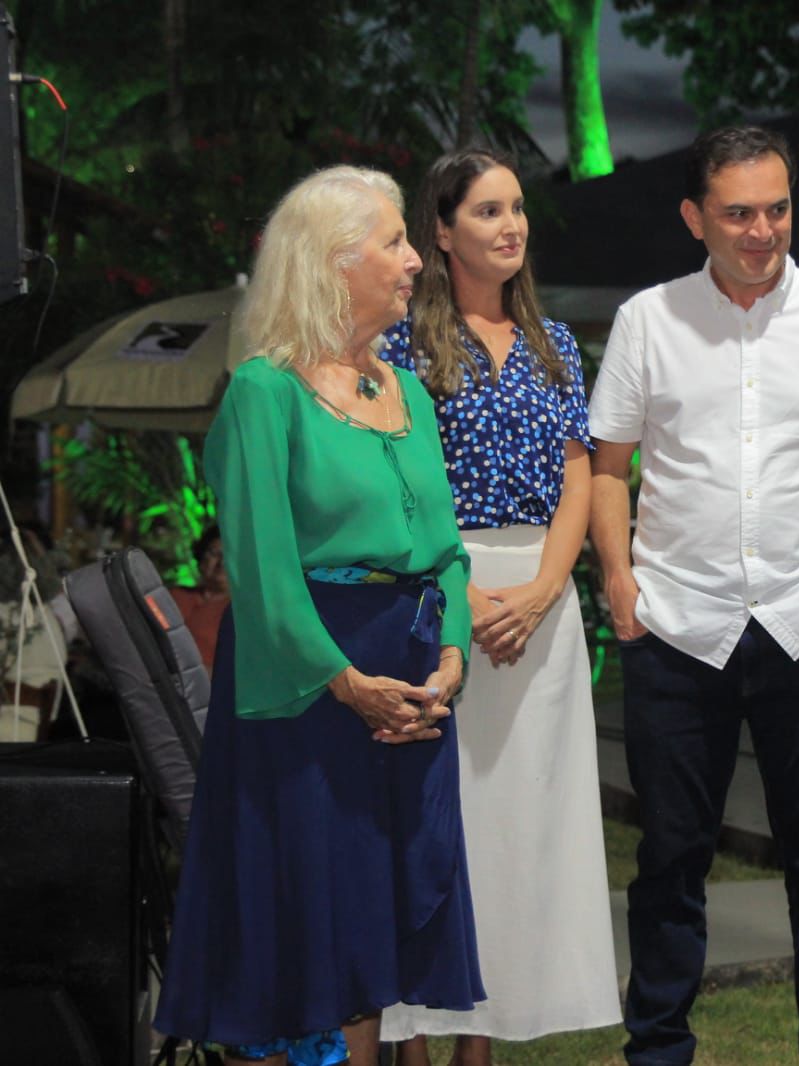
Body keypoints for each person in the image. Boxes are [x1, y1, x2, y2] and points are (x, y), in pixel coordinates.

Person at [153, 166, 482, 1066]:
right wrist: (345, 682)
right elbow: (261, 573)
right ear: (333, 263)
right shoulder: (265, 391)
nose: (415, 260)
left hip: (411, 678)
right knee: (305, 915)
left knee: (373, 918)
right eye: (394, 241)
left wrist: (451, 657)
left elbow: (446, 553)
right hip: (308, 688)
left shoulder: (407, 391)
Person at [588, 124, 799, 1066]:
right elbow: (607, 464)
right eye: (737, 214)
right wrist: (619, 583)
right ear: (695, 218)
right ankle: (658, 1051)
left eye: (776, 209)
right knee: (670, 858)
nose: (762, 231)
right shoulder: (648, 319)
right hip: (678, 626)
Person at [378, 148, 619, 1064]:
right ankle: (411, 1039)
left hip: (541, 606)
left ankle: (483, 1039)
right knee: (439, 825)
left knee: (523, 830)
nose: (510, 225)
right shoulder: (400, 344)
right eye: (487, 210)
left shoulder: (554, 344)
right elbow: (394, 484)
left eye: (516, 208)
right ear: (441, 232)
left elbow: (577, 476)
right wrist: (464, 596)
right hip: (439, 595)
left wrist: (548, 589)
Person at [169, 525, 229, 672]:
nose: (222, 563)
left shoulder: (239, 612)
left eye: (230, 556)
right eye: (215, 554)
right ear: (201, 558)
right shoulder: (174, 595)